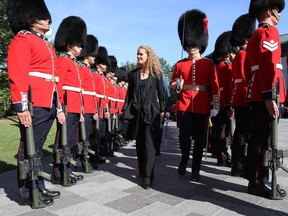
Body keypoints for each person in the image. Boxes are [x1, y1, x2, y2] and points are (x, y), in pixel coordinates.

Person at [7, 0, 61, 207]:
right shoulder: (23, 40)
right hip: (33, 102)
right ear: (30, 18)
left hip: (47, 101)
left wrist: (57, 106)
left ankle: (37, 184)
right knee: (29, 148)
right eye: (42, 16)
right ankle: (27, 191)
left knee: (37, 150)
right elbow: (18, 74)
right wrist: (21, 106)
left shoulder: (45, 44)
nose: (48, 19)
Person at [170, 9, 219, 182]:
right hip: (184, 105)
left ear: (201, 43)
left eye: (194, 43)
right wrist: (177, 85)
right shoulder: (180, 65)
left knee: (199, 140)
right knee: (184, 136)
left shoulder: (208, 64)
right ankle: (184, 160)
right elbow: (173, 86)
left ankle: (196, 169)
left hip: (202, 105)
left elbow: (214, 87)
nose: (191, 47)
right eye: (189, 43)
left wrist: (215, 106)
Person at [245, 0, 286, 198]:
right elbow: (269, 65)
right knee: (264, 140)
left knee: (258, 138)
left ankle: (255, 179)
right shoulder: (269, 32)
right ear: (270, 11)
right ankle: (260, 180)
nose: (280, 14)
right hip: (268, 93)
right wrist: (269, 96)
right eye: (278, 10)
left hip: (258, 91)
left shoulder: (255, 35)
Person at [122, 45, 165, 189]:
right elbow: (129, 94)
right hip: (136, 114)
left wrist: (163, 111)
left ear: (148, 56)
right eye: (137, 54)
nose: (138, 56)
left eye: (141, 54)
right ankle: (142, 169)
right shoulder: (133, 74)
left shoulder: (156, 75)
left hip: (151, 114)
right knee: (139, 143)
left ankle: (148, 176)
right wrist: (126, 112)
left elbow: (161, 95)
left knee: (149, 144)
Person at [53, 15, 87, 185]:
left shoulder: (74, 63)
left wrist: (80, 111)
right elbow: (58, 87)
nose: (81, 48)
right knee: (62, 141)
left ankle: (66, 169)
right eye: (78, 45)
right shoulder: (64, 61)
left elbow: (78, 91)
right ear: (69, 44)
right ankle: (58, 173)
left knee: (70, 141)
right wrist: (58, 108)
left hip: (74, 108)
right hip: (66, 107)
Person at [229, 13, 256, 177]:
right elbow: (248, 77)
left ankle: (236, 163)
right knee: (244, 132)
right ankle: (239, 163)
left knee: (240, 130)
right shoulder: (245, 54)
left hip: (239, 94)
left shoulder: (239, 54)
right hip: (246, 94)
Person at [210, 31, 237, 167]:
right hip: (225, 102)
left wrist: (216, 105)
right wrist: (229, 106)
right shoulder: (227, 66)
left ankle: (219, 155)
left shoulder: (218, 66)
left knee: (219, 130)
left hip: (218, 102)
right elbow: (229, 87)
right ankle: (222, 156)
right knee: (223, 131)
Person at [77, 34, 99, 172]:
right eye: (92, 55)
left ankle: (84, 161)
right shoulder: (80, 68)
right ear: (87, 55)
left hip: (90, 108)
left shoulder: (88, 71)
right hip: (84, 108)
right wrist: (81, 109)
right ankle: (80, 162)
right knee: (81, 137)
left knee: (87, 137)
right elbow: (80, 92)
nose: (94, 58)